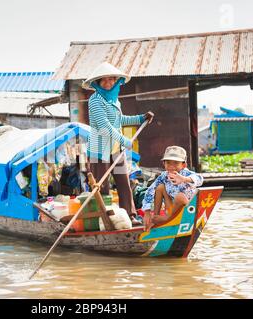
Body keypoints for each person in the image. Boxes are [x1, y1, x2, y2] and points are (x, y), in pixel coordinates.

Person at [82, 62, 154, 226]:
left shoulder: (115, 100)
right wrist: (125, 140)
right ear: (98, 83)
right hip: (99, 152)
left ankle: (130, 216)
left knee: (124, 183)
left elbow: (120, 120)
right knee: (102, 188)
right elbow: (105, 127)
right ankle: (105, 219)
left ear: (116, 81)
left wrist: (141, 118)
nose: (108, 83)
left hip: (116, 151)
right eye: (104, 80)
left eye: (111, 79)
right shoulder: (95, 100)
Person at [141, 146, 203, 231]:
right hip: (171, 210)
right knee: (160, 187)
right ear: (164, 163)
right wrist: (147, 212)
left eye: (176, 163)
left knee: (180, 196)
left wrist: (184, 179)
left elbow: (200, 178)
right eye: (168, 163)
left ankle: (167, 219)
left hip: (186, 211)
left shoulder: (186, 173)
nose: (171, 166)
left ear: (184, 165)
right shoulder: (164, 176)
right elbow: (150, 190)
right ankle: (156, 217)